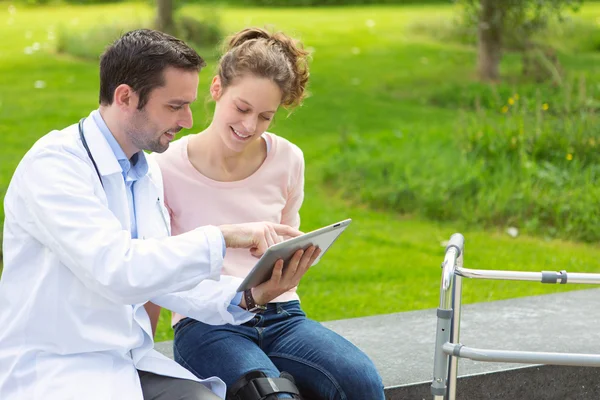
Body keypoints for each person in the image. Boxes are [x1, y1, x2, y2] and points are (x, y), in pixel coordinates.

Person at [0, 29, 318, 400]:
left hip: (124, 362)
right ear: (125, 97)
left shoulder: (144, 170)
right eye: (175, 106)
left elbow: (163, 278)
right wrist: (223, 236)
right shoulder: (55, 167)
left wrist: (248, 295)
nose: (187, 120)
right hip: (56, 366)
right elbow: (118, 270)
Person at [150, 28, 385, 400]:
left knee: (361, 380)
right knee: (270, 395)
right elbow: (154, 265)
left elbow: (288, 236)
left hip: (282, 316)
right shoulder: (163, 167)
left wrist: (290, 266)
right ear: (216, 89)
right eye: (241, 109)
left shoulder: (288, 159)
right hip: (207, 326)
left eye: (265, 117)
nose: (249, 126)